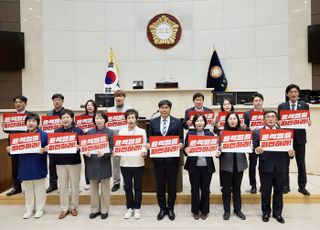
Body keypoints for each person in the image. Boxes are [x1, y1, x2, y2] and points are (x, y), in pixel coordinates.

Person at [253, 110, 295, 224]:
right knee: (265, 192)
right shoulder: (258, 133)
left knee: (279, 192)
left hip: (281, 167)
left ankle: (278, 213)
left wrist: (291, 154)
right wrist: (257, 150)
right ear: (264, 120)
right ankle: (265, 212)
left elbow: (289, 150)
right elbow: (253, 149)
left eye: (272, 117)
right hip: (265, 167)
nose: (270, 119)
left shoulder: (284, 133)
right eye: (268, 117)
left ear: (276, 119)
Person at [6, 113, 48, 219]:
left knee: (40, 189)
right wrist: (10, 150)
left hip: (38, 164)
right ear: (25, 123)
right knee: (28, 189)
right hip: (25, 165)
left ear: (38, 123)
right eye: (29, 121)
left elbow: (50, 150)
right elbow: (14, 153)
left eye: (33, 121)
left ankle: (40, 209)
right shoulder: (21, 136)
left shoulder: (44, 135)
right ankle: (29, 209)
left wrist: (45, 150)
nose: (31, 123)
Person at [148, 99, 184, 221]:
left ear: (170, 109)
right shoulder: (153, 122)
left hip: (172, 160)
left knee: (172, 185)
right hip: (158, 160)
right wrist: (148, 144)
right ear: (159, 109)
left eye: (166, 107)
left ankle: (171, 208)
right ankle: (162, 208)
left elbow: (181, 138)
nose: (164, 109)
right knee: (160, 186)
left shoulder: (178, 122)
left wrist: (181, 144)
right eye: (162, 107)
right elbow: (149, 138)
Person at [278, 84, 312, 195]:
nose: (293, 94)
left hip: (300, 139)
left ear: (298, 93)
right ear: (287, 94)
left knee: (301, 163)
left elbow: (307, 120)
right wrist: (279, 123)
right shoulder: (282, 106)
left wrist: (309, 123)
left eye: (295, 92)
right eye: (291, 92)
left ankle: (302, 186)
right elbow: (279, 122)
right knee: (285, 164)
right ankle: (285, 186)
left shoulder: (304, 106)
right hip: (286, 139)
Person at [49, 109, 83, 219]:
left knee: (74, 186)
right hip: (60, 163)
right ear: (60, 120)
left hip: (74, 162)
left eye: (67, 117)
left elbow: (83, 146)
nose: (65, 120)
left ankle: (73, 207)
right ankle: (64, 208)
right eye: (63, 118)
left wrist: (79, 147)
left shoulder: (79, 131)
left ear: (72, 119)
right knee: (62, 186)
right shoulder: (56, 131)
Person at [216, 112, 248, 221]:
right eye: (230, 119)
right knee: (226, 189)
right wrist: (218, 150)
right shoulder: (222, 133)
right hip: (226, 164)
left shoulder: (243, 132)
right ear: (227, 121)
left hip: (239, 164)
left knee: (237, 189)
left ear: (238, 121)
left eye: (235, 119)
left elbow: (249, 144)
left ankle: (237, 209)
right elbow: (218, 146)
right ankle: (226, 210)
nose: (233, 121)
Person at [184, 114, 215, 220]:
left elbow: (214, 148)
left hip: (207, 166)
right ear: (194, 123)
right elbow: (185, 148)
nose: (199, 123)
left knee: (206, 189)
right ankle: (195, 211)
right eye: (197, 121)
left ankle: (205, 211)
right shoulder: (190, 133)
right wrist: (186, 150)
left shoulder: (210, 134)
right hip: (194, 166)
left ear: (205, 122)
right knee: (194, 189)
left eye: (201, 120)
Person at [117, 109, 147, 219]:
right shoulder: (121, 132)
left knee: (138, 187)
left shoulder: (142, 131)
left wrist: (144, 152)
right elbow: (119, 147)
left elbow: (144, 145)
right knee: (128, 187)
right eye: (129, 118)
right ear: (126, 120)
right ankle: (129, 208)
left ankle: (137, 208)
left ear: (136, 119)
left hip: (138, 163)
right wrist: (116, 153)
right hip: (125, 163)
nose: (131, 120)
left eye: (133, 117)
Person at [85, 111, 114, 220]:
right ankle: (95, 209)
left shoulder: (110, 132)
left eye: (101, 118)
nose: (99, 120)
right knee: (93, 189)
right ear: (94, 120)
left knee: (105, 189)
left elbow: (112, 148)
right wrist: (86, 151)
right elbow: (85, 146)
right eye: (97, 118)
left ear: (105, 120)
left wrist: (106, 153)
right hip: (92, 163)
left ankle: (104, 210)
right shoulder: (89, 132)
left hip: (104, 163)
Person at [2, 95, 30, 196]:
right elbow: (7, 130)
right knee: (15, 167)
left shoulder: (30, 115)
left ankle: (28, 188)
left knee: (27, 166)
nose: (18, 104)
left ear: (25, 103)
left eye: (20, 102)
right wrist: (4, 127)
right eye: (16, 102)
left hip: (27, 144)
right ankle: (16, 187)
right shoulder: (10, 117)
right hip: (14, 145)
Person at [108, 89, 132, 192]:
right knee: (115, 163)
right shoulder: (110, 110)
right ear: (114, 98)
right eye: (117, 96)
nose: (118, 98)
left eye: (121, 96)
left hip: (126, 140)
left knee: (126, 163)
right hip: (114, 140)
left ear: (124, 98)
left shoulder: (130, 109)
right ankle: (116, 182)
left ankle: (127, 182)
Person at [244, 93, 264, 194]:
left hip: (264, 142)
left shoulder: (267, 114)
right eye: (256, 100)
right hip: (252, 142)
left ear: (262, 102)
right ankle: (253, 185)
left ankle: (263, 185)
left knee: (264, 165)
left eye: (259, 100)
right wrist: (248, 129)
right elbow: (245, 128)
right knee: (252, 165)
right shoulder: (247, 114)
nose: (258, 102)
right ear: (253, 102)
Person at [46, 93, 65, 193]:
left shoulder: (67, 113)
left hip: (64, 142)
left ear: (62, 101)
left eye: (58, 100)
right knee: (52, 164)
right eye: (55, 100)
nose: (56, 101)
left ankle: (65, 185)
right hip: (52, 142)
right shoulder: (49, 114)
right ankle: (53, 184)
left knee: (64, 165)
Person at [81, 99, 98, 191]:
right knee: (87, 163)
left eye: (91, 105)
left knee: (97, 161)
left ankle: (97, 180)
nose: (90, 107)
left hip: (97, 142)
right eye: (88, 105)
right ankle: (88, 182)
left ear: (95, 106)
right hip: (86, 142)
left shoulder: (99, 116)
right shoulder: (81, 118)